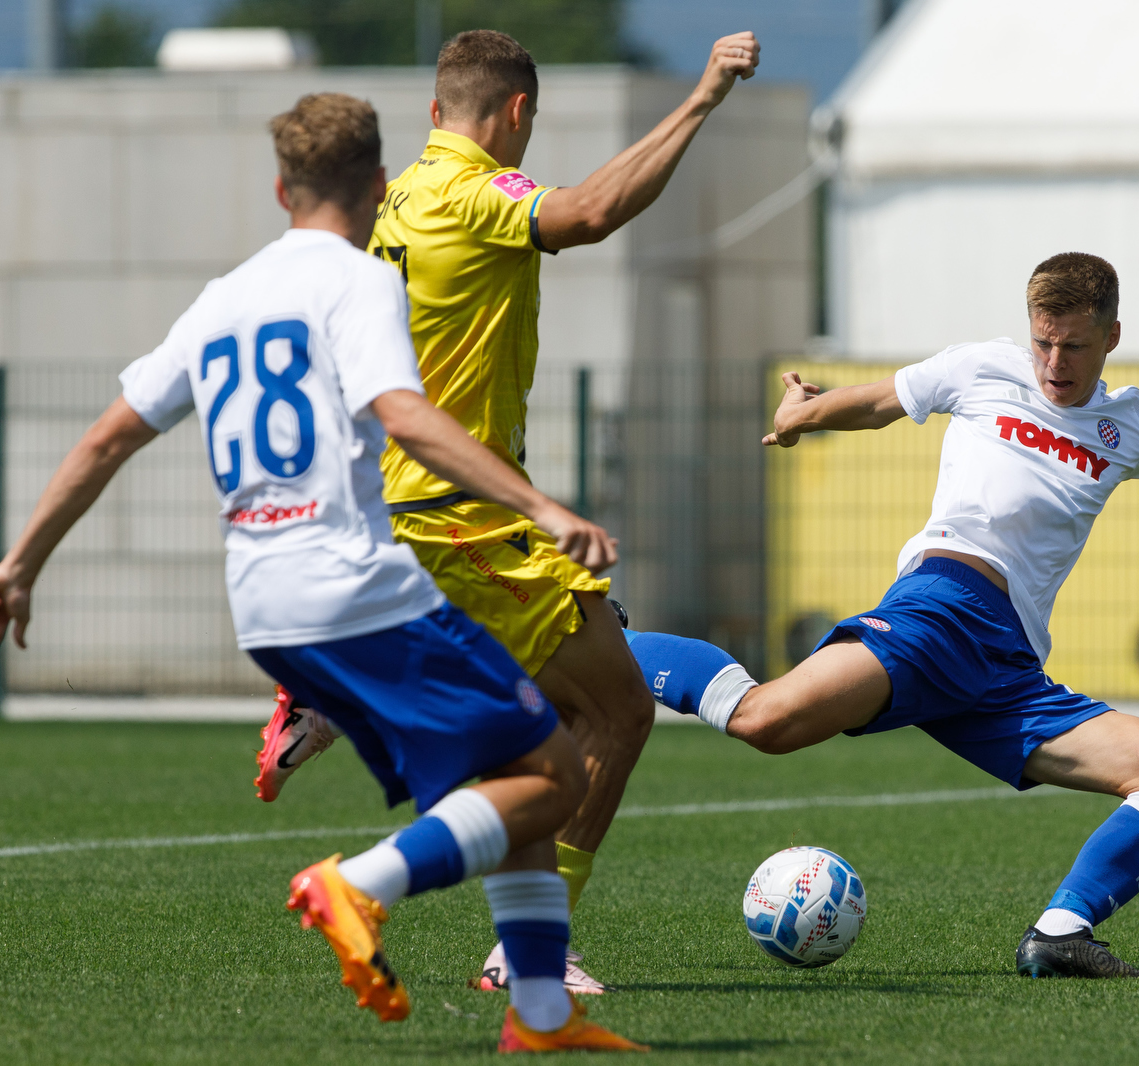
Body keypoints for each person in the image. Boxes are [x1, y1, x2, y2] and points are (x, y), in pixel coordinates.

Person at [0, 93, 643, 1052]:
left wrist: (19, 562)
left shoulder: (222, 298)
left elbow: (109, 435)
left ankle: (540, 1013)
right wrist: (544, 508)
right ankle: (358, 885)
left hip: (262, 604)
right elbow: (404, 414)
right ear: (378, 186)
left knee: (514, 757)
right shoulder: (357, 279)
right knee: (557, 773)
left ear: (280, 187)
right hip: (354, 583)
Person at [627, 252, 1139, 977]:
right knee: (765, 721)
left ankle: (1060, 934)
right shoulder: (982, 367)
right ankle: (597, 635)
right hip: (941, 612)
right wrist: (807, 414)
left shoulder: (1129, 425)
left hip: (1007, 668)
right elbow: (885, 400)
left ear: (1112, 337)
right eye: (1044, 342)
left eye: (1075, 346)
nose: (1055, 363)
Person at [254, 27, 763, 995]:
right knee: (615, 709)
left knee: (558, 724)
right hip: (463, 513)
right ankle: (517, 942)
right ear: (519, 113)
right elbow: (593, 210)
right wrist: (700, 99)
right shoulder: (475, 193)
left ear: (435, 109)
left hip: (407, 505)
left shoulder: (393, 194)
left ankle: (339, 703)